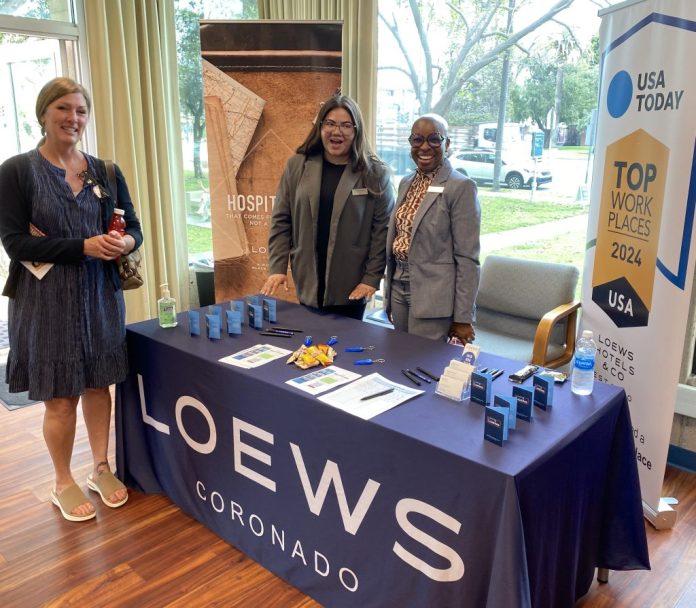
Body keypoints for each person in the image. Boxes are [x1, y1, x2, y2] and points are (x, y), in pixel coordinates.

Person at [0, 77, 143, 522]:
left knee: (98, 385)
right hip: (44, 303)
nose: (73, 118)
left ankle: (100, 467)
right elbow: (15, 243)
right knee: (61, 398)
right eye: (63, 108)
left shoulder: (106, 171)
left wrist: (124, 244)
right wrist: (83, 246)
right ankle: (63, 481)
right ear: (43, 114)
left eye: (81, 110)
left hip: (100, 297)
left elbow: (134, 228)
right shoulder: (17, 171)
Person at [260, 94, 394, 320]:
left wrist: (371, 278)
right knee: (311, 338)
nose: (337, 131)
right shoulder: (297, 165)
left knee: (345, 341)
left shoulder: (375, 173)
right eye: (330, 123)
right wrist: (278, 267)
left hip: (352, 285)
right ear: (320, 127)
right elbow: (282, 220)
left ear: (356, 130)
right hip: (308, 279)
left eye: (346, 125)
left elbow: (383, 230)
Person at [385, 113, 481, 342]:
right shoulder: (406, 182)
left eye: (434, 139)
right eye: (417, 139)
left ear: (447, 144)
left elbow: (467, 258)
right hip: (398, 285)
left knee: (424, 361)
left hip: (434, 294)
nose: (425, 147)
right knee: (398, 353)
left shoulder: (461, 187)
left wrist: (463, 317)